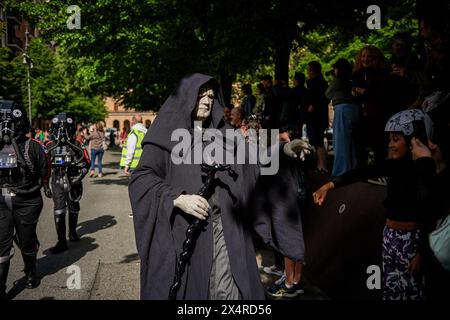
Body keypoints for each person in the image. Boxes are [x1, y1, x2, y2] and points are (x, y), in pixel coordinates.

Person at [128, 73, 310, 300]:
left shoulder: (224, 135)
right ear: (186, 97)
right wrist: (177, 198)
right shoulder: (165, 136)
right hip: (184, 231)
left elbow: (253, 159)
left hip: (224, 228)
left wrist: (284, 148)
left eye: (211, 96)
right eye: (201, 95)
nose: (207, 100)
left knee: (228, 292)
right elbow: (142, 178)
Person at [313, 109, 436, 300]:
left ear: (414, 141)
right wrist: (329, 186)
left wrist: (421, 253)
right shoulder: (393, 166)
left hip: (413, 242)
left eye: (396, 139)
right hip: (390, 238)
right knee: (391, 292)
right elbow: (360, 173)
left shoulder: (425, 171)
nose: (391, 144)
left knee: (413, 293)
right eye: (390, 139)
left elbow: (429, 210)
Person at [0, 100, 49, 299]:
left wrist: (40, 186)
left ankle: (31, 271)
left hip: (27, 200)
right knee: (2, 243)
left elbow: (44, 172)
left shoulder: (33, 147)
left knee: (26, 241)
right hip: (2, 202)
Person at [44, 113, 90, 254]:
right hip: (57, 180)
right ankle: (61, 241)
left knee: (74, 206)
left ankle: (73, 232)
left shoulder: (77, 144)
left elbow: (86, 162)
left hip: (73, 179)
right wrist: (45, 184)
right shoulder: (50, 145)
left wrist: (79, 177)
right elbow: (45, 166)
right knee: (59, 209)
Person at [326, 58, 361, 176]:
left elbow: (327, 94)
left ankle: (341, 172)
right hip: (354, 109)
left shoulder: (338, 80)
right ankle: (352, 170)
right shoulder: (353, 79)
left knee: (340, 143)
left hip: (342, 109)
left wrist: (334, 78)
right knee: (352, 144)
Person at [306, 61, 330, 174]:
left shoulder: (317, 83)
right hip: (318, 117)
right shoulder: (320, 82)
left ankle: (322, 166)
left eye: (309, 70)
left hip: (316, 117)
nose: (307, 72)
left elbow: (322, 98)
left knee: (318, 142)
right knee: (317, 142)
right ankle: (320, 165)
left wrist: (313, 105)